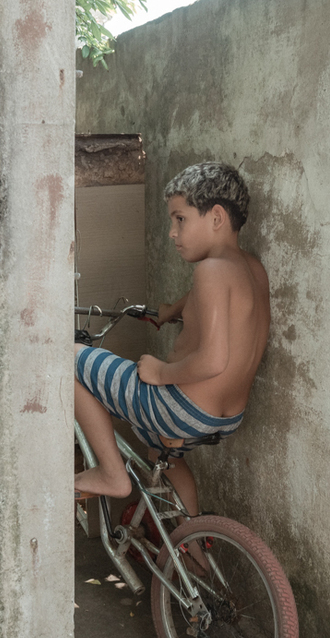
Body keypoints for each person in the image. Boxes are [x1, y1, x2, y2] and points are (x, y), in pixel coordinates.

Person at [74, 162, 270, 515]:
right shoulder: (251, 268)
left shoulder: (209, 271)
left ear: (216, 218)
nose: (172, 232)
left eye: (180, 219)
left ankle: (111, 473)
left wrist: (159, 372)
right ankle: (191, 544)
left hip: (181, 408)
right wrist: (171, 310)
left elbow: (213, 360)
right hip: (225, 417)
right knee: (158, 451)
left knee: (67, 358)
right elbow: (222, 304)